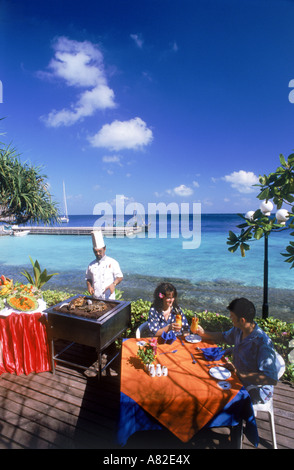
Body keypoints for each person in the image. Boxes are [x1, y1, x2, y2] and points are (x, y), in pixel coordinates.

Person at [196, 297, 278, 404]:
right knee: (205, 382)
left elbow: (270, 379)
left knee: (217, 399)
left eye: (232, 316)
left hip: (256, 390)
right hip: (238, 377)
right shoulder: (239, 329)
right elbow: (224, 337)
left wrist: (240, 374)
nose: (230, 318)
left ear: (242, 320)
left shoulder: (262, 342)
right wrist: (203, 333)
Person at [86, 230, 123, 300]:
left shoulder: (113, 262)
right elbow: (88, 278)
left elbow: (119, 277)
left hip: (109, 298)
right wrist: (89, 286)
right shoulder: (91, 265)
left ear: (105, 249)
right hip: (95, 298)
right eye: (95, 252)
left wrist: (114, 284)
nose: (98, 254)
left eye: (100, 251)